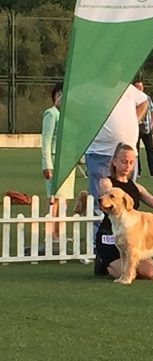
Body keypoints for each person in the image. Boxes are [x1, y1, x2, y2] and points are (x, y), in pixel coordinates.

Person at [94, 143, 153, 279]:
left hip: (133, 238)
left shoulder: (136, 187)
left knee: (150, 273)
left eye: (131, 162)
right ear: (114, 162)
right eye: (124, 161)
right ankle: (103, 262)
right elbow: (106, 203)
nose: (127, 166)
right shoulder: (107, 183)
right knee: (129, 274)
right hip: (110, 237)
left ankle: (126, 267)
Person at [85, 83, 149, 226]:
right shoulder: (90, 88)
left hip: (128, 153)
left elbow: (144, 101)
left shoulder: (127, 88)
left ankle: (124, 236)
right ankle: (100, 240)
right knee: (101, 202)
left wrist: (135, 120)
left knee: (125, 199)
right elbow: (62, 104)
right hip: (101, 153)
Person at [41, 81, 75, 241]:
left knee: (64, 200)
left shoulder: (70, 116)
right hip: (55, 160)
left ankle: (60, 233)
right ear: (54, 95)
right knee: (53, 199)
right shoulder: (51, 113)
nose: (62, 96)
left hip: (68, 161)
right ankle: (49, 233)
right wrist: (47, 164)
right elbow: (46, 141)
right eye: (59, 92)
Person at [134, 80, 153, 178]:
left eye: (141, 87)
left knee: (150, 150)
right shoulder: (132, 99)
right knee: (135, 151)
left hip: (146, 128)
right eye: (137, 87)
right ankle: (137, 172)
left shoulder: (147, 98)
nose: (139, 89)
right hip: (136, 128)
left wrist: (151, 125)